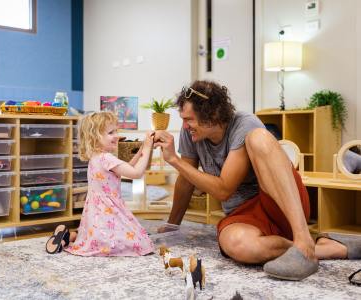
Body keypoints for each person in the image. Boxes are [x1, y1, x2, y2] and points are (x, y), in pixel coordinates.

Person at [153, 80, 360, 281]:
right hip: (243, 215)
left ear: (213, 114)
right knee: (238, 246)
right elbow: (186, 180)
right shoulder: (190, 134)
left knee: (258, 136)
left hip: (281, 204)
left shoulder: (244, 123)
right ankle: (322, 247)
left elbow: (225, 189)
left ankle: (302, 238)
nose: (184, 125)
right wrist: (173, 228)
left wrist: (173, 159)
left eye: (189, 119)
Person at [46, 111, 155, 256]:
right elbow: (136, 173)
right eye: (110, 132)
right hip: (107, 211)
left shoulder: (96, 157)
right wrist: (147, 148)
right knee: (142, 243)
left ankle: (69, 236)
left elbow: (126, 168)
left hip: (98, 212)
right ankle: (70, 236)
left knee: (99, 237)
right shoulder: (106, 158)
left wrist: (142, 148)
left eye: (116, 130)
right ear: (94, 138)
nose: (116, 135)